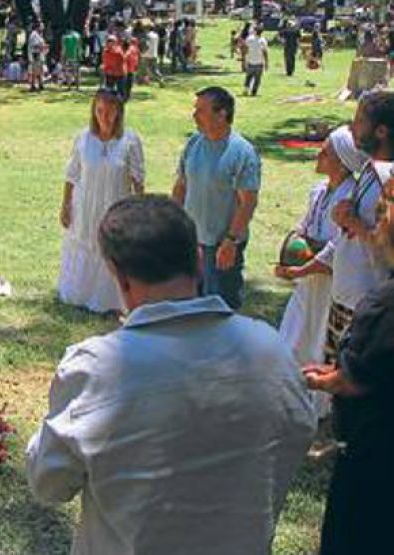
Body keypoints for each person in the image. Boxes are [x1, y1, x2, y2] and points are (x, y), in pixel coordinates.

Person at [27, 194, 316, 555]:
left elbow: (49, 484)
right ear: (197, 261)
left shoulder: (95, 369)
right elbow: (299, 434)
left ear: (119, 276)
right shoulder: (270, 350)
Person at [303, 173, 394, 554]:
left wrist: (321, 379)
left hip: (375, 462)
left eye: (388, 206)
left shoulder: (385, 305)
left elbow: (355, 382)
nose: (380, 215)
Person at [276, 126, 369, 366]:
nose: (319, 155)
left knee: (320, 343)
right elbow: (305, 226)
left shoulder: (350, 197)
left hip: (331, 282)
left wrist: (305, 268)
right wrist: (290, 257)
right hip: (308, 278)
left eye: (325, 152)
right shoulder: (318, 190)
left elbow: (339, 245)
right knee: (292, 338)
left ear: (341, 162)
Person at [172, 87, 260, 310]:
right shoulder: (193, 143)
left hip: (221, 247)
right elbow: (181, 186)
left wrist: (231, 241)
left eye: (201, 110)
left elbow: (247, 202)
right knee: (189, 308)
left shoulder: (242, 152)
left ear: (222, 114)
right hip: (192, 243)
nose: (194, 115)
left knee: (220, 311)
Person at [59, 89, 144, 313]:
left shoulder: (130, 141)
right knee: (85, 243)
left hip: (115, 207)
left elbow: (138, 181)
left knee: (113, 251)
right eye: (99, 111)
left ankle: (113, 301)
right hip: (86, 206)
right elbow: (72, 175)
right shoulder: (83, 138)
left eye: (109, 111)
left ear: (119, 112)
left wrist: (140, 212)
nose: (104, 116)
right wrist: (66, 205)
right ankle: (82, 293)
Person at [243, 27, 268, 96]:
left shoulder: (249, 39)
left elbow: (245, 49)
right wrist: (266, 62)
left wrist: (244, 59)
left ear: (255, 31)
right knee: (257, 79)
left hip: (250, 61)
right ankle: (254, 91)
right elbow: (265, 52)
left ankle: (246, 89)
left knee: (248, 77)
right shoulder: (263, 40)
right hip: (259, 62)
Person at [26, 22, 46, 92]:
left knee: (40, 70)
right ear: (38, 27)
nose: (43, 27)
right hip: (35, 55)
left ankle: (41, 84)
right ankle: (33, 85)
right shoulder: (34, 35)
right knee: (35, 71)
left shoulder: (39, 35)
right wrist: (43, 46)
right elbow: (34, 45)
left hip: (39, 54)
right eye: (42, 26)